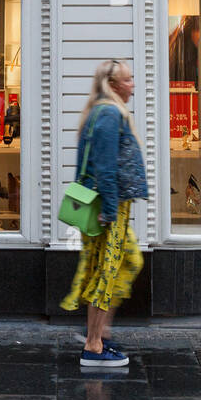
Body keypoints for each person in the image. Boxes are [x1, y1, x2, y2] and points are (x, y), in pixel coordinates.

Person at [61, 59, 147, 367]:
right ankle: (93, 346)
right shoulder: (109, 114)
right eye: (127, 80)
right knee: (105, 273)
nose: (132, 85)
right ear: (113, 86)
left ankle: (100, 329)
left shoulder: (99, 111)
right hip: (108, 208)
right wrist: (109, 210)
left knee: (130, 261)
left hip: (107, 205)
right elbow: (106, 168)